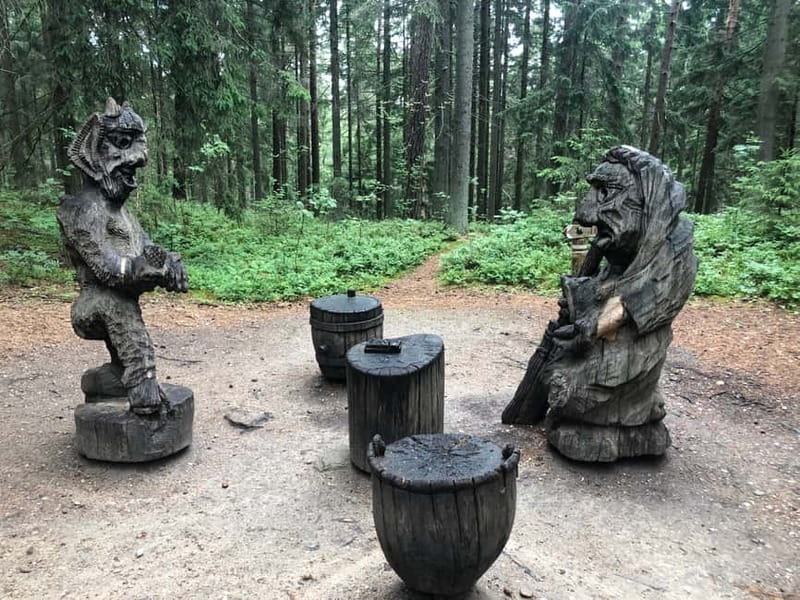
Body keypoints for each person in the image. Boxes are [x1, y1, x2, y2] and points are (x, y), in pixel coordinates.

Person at [57, 98, 188, 415]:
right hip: (92, 303)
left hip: (118, 300)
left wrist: (169, 263)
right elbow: (109, 270)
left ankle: (107, 380)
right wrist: (144, 268)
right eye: (123, 144)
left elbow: (148, 251)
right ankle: (143, 392)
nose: (139, 158)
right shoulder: (80, 209)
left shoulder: (125, 214)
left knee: (122, 307)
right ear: (94, 149)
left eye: (139, 145)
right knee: (116, 302)